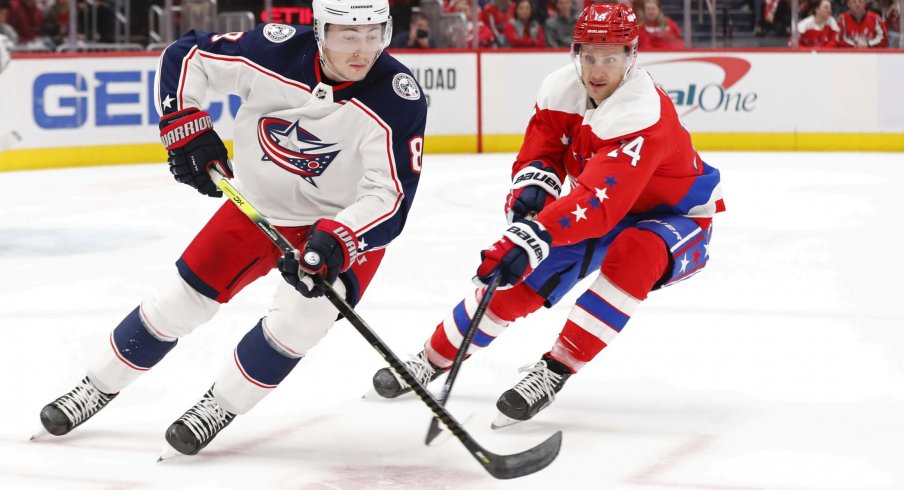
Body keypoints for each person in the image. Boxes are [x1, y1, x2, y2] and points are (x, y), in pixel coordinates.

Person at [35, 0, 427, 458]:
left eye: (374, 34)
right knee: (178, 302)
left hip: (339, 229)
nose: (363, 50)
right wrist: (186, 125)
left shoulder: (398, 97)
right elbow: (185, 56)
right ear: (320, 31)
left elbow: (390, 197)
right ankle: (96, 386)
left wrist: (338, 239)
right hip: (257, 208)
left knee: (302, 321)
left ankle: (219, 406)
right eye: (348, 36)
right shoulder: (272, 51)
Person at [372, 2, 724, 427]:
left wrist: (532, 236)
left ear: (632, 57)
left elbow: (599, 202)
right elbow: (541, 156)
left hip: (676, 216)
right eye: (589, 56)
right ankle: (431, 359)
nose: (597, 70)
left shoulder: (642, 113)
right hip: (602, 206)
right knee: (515, 280)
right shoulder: (561, 89)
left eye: (610, 57)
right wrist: (529, 203)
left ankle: (554, 370)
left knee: (633, 253)